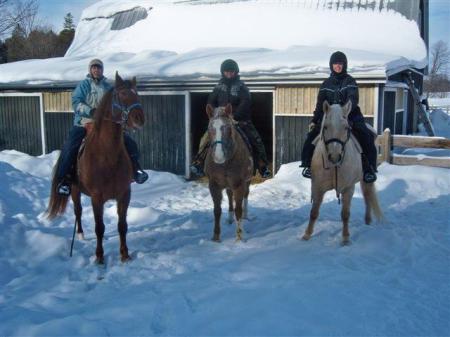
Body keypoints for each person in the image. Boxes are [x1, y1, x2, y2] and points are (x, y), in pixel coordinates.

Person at [56, 58, 148, 195]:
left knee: (130, 143)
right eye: (94, 68)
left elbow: (116, 104)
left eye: (99, 68)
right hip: (84, 122)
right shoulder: (84, 85)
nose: (96, 70)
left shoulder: (108, 87)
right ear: (90, 70)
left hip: (104, 123)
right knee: (70, 147)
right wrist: (90, 111)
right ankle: (64, 180)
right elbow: (76, 103)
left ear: (102, 70)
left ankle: (136, 170)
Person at [300, 51, 378, 183]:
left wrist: (345, 111)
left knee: (365, 135)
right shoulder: (326, 84)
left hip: (350, 115)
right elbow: (320, 104)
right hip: (330, 117)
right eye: (335, 64)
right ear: (331, 65)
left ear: (344, 65)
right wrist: (314, 120)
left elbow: (353, 99)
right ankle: (308, 165)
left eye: (340, 64)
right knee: (311, 136)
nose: (338, 66)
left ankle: (369, 168)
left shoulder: (350, 81)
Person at [190, 59, 271, 179]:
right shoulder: (218, 87)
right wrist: (214, 114)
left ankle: (262, 165)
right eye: (226, 71)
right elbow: (211, 101)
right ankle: (199, 163)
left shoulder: (242, 87)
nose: (229, 74)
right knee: (205, 139)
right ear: (223, 72)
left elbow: (246, 102)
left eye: (231, 71)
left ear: (236, 72)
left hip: (240, 120)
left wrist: (235, 116)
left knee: (256, 140)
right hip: (221, 119)